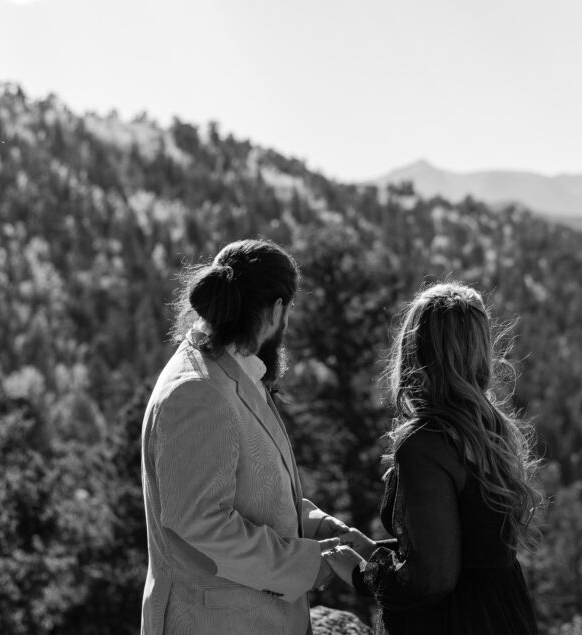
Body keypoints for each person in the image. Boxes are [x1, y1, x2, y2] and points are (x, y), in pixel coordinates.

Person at [140, 239, 358, 635]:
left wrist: (320, 527)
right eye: (289, 310)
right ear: (277, 310)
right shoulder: (197, 391)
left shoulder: (231, 372)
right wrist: (309, 564)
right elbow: (202, 522)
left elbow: (250, 490)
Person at [326, 282, 544, 634]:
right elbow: (462, 544)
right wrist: (371, 549)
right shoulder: (489, 427)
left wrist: (361, 575)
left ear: (415, 351)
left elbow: (433, 578)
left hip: (454, 620)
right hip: (502, 611)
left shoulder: (424, 443)